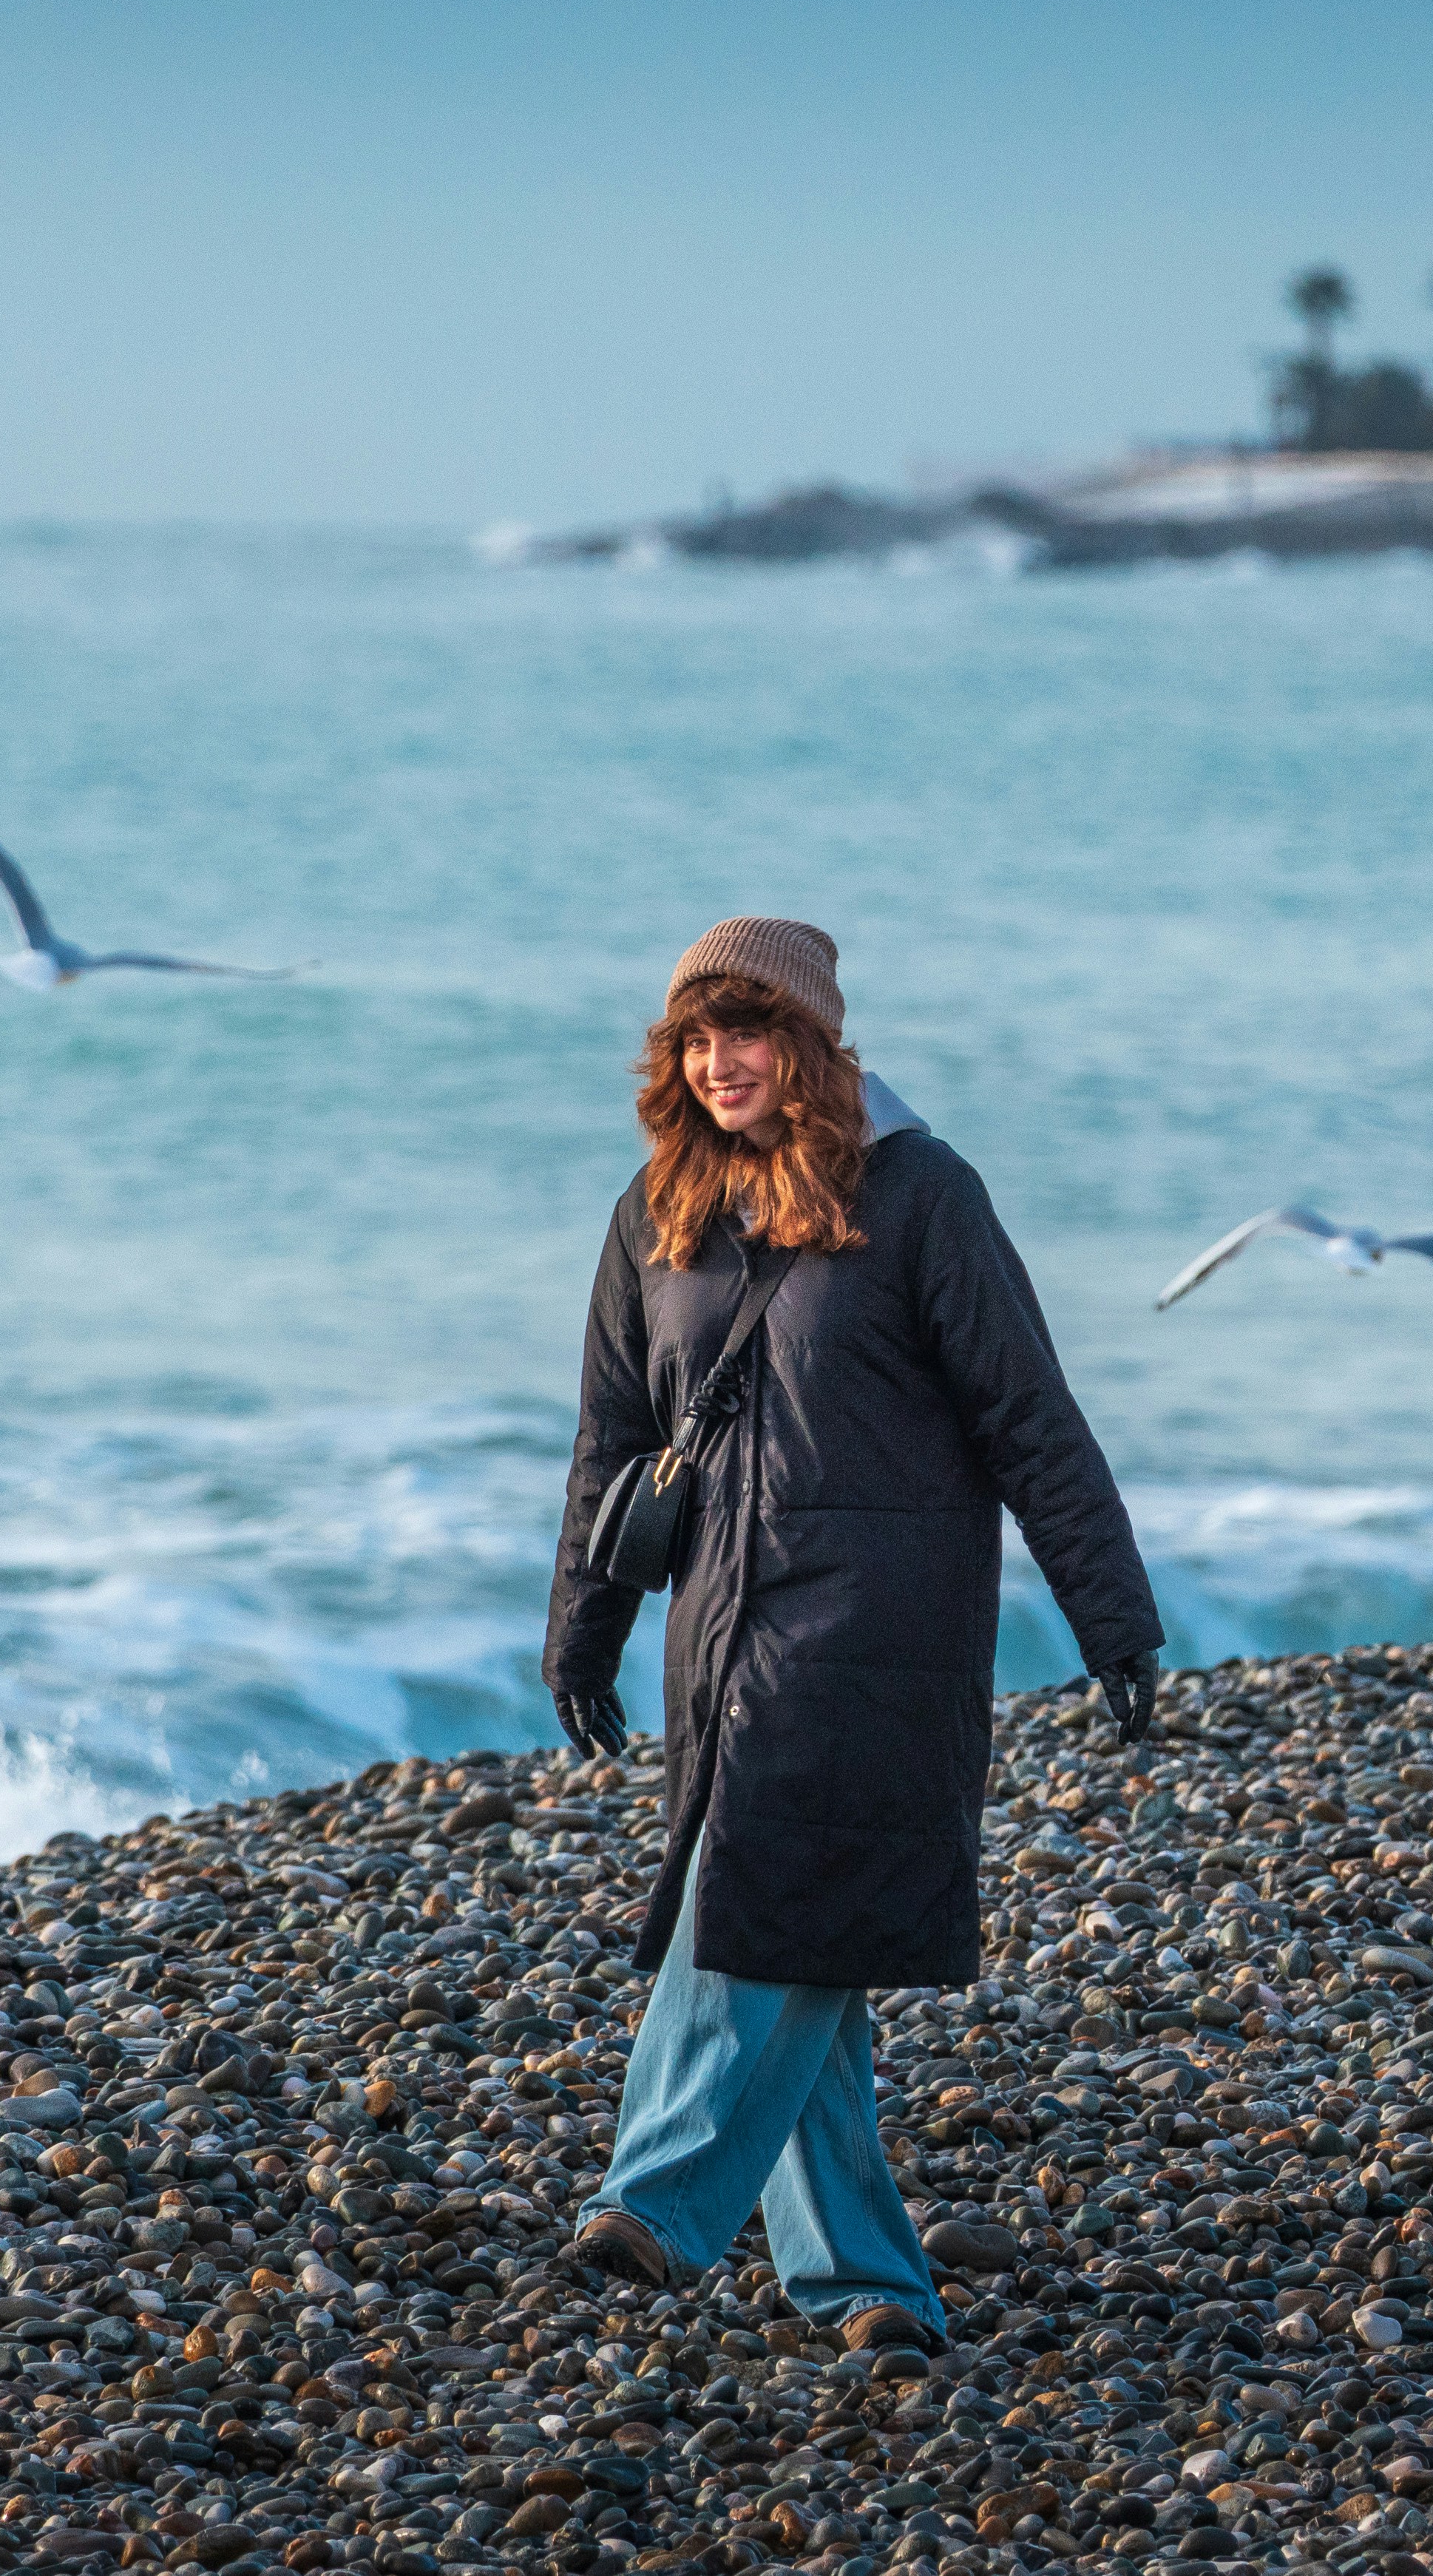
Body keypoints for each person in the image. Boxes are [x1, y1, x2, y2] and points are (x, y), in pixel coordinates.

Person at [543, 915, 1166, 2350]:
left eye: (747, 1031)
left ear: (812, 1043)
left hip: (882, 1622)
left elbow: (1029, 1414)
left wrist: (1111, 1617)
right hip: (718, 1624)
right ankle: (870, 2281)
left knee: (762, 1885)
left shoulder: (923, 1195)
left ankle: (658, 2191)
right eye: (697, 1037)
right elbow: (612, 1437)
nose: (721, 1061)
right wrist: (585, 1629)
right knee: (803, 1922)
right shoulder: (656, 1213)